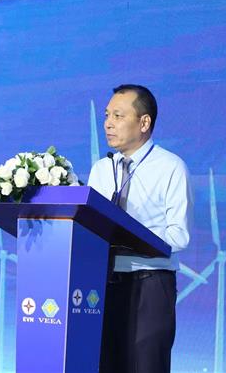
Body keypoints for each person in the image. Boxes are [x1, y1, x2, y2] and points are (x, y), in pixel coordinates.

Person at [87, 84, 192, 373]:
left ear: (144, 123)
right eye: (106, 115)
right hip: (102, 284)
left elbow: (179, 235)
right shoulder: (101, 169)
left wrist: (130, 237)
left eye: (118, 116)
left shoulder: (171, 167)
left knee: (146, 365)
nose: (108, 123)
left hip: (150, 284)